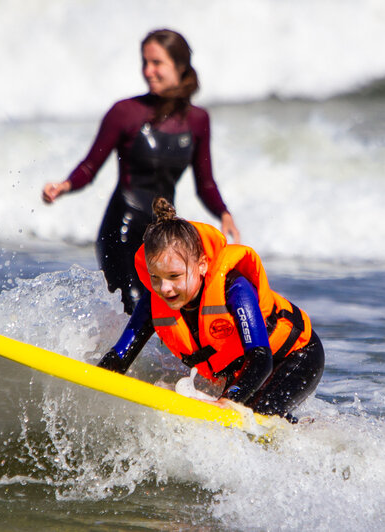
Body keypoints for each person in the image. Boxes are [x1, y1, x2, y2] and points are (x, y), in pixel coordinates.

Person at [42, 29, 240, 315]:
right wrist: (65, 185)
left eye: (157, 63)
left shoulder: (198, 120)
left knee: (170, 309)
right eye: (144, 62)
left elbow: (205, 182)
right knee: (134, 306)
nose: (148, 71)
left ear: (180, 66)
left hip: (162, 232)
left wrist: (223, 212)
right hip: (122, 228)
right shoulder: (124, 112)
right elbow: (90, 166)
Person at [97, 197, 324, 420]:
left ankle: (305, 433)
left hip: (296, 357)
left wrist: (228, 400)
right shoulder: (154, 301)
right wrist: (92, 381)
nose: (164, 288)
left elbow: (260, 358)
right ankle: (299, 424)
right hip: (242, 368)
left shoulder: (234, 289)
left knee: (255, 419)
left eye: (174, 276)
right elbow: (119, 358)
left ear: (202, 265)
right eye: (155, 277)